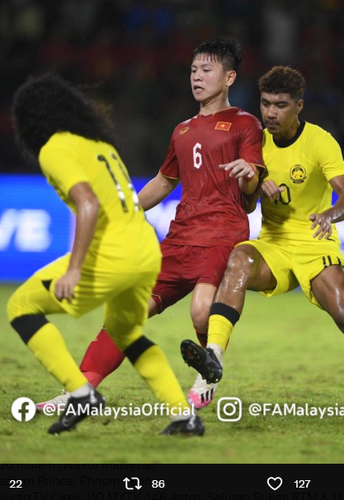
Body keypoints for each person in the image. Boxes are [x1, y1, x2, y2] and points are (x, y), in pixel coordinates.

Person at [35, 36, 265, 411]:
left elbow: (252, 179)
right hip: (179, 238)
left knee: (200, 309)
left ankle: (208, 374)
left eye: (206, 70)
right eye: (193, 70)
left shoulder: (245, 124)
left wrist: (247, 175)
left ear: (229, 78)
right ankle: (78, 392)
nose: (196, 77)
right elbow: (163, 182)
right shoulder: (183, 130)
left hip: (222, 234)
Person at [180, 66, 344, 415]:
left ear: (299, 106)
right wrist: (252, 184)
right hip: (273, 244)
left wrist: (328, 215)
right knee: (238, 261)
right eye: (265, 104)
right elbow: (246, 203)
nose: (270, 113)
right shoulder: (255, 142)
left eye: (280, 105)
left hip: (314, 243)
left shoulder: (320, 141)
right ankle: (212, 364)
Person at [7, 72, 204, 436]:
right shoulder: (100, 145)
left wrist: (75, 269)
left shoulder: (55, 148)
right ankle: (184, 415)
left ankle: (80, 393)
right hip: (145, 251)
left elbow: (88, 203)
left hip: (112, 253)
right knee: (126, 333)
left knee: (21, 306)